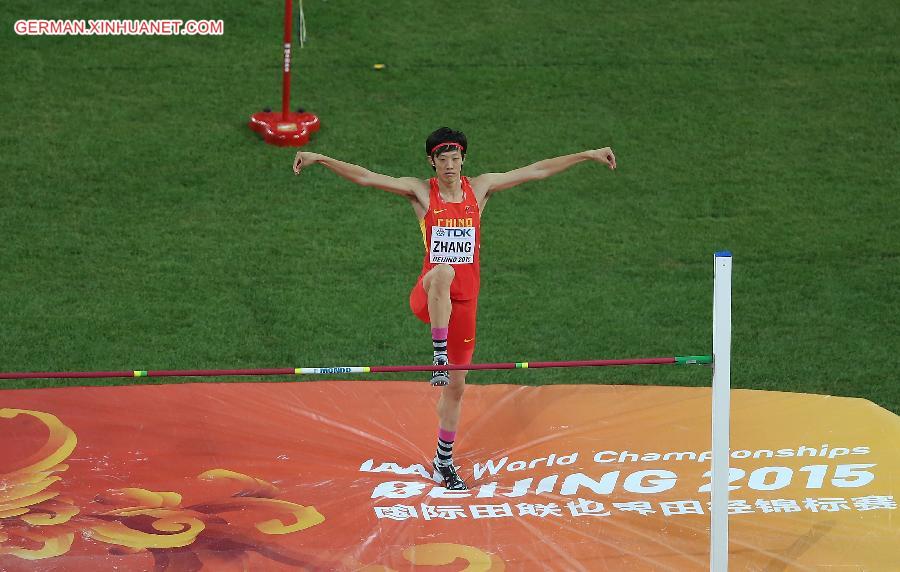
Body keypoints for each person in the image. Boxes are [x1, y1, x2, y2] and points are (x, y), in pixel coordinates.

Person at [292, 127, 616, 490]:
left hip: (465, 304)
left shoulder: (480, 189)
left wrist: (586, 154)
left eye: (455, 159)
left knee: (457, 390)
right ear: (432, 162)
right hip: (429, 295)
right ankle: (439, 354)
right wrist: (321, 159)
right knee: (443, 271)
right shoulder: (420, 192)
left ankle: (443, 461)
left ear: (463, 160)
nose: (450, 165)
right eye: (442, 160)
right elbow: (367, 178)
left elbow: (536, 170)